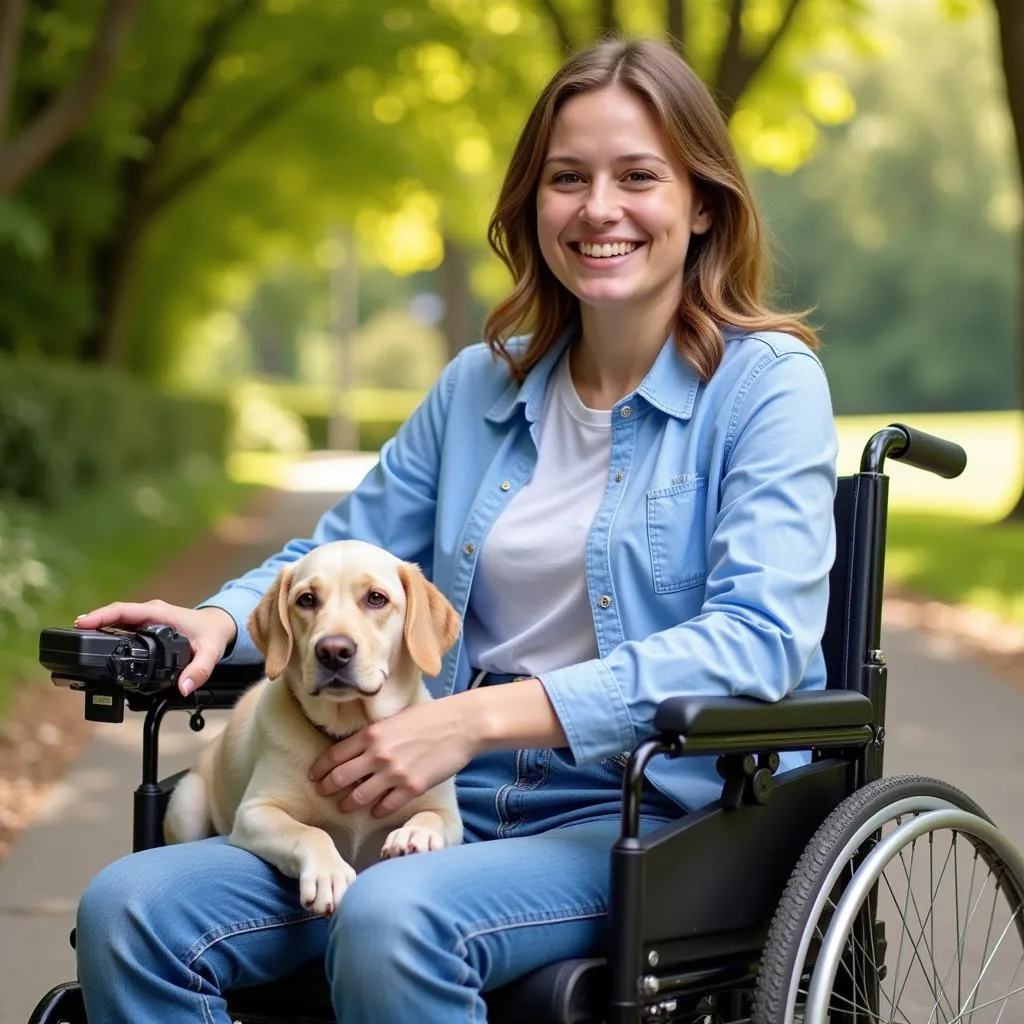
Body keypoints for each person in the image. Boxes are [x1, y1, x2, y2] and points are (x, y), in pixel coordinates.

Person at [73, 36, 837, 1024]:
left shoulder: (766, 387)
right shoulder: (482, 386)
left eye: (638, 176)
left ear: (702, 204)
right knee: (128, 909)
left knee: (396, 918)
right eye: (567, 179)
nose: (599, 209)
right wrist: (220, 621)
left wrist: (468, 719)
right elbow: (340, 549)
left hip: (644, 819)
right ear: (533, 207)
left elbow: (762, 638)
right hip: (432, 807)